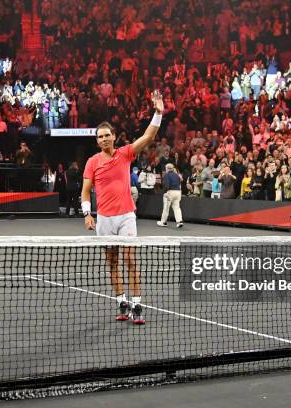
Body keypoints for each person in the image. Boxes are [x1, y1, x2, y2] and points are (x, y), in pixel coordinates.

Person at [81, 90, 164, 325]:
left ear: (114, 137)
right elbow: (86, 191)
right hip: (104, 219)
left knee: (130, 260)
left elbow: (148, 137)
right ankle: (121, 302)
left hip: (126, 216)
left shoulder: (126, 153)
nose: (104, 139)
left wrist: (157, 113)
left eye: (107, 135)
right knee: (113, 263)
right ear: (97, 141)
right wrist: (87, 215)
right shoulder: (92, 162)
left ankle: (137, 305)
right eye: (100, 137)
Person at [157, 163, 183, 227]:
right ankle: (179, 221)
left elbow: (166, 185)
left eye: (166, 168)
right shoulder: (177, 175)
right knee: (177, 207)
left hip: (170, 192)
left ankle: (163, 222)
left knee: (166, 208)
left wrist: (164, 192)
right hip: (178, 192)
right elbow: (179, 183)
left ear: (167, 169)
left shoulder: (167, 175)